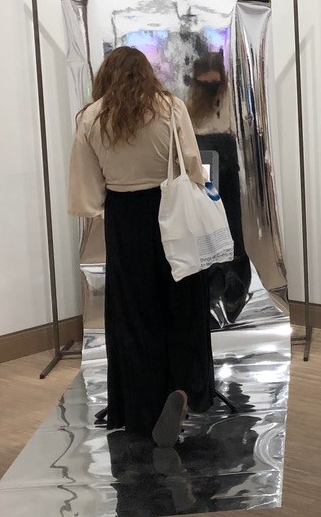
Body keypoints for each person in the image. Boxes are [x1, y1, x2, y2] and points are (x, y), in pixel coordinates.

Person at [68, 47, 215, 448]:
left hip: (124, 218)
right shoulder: (169, 107)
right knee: (183, 305)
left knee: (134, 314)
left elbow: (86, 190)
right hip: (172, 210)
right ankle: (185, 389)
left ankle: (141, 406)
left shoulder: (91, 117)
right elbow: (191, 164)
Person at [186, 52, 252, 326]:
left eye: (215, 82)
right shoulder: (188, 104)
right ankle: (207, 297)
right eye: (206, 84)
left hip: (227, 171)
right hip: (201, 173)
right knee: (203, 235)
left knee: (232, 232)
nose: (211, 88)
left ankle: (233, 296)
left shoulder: (233, 99)